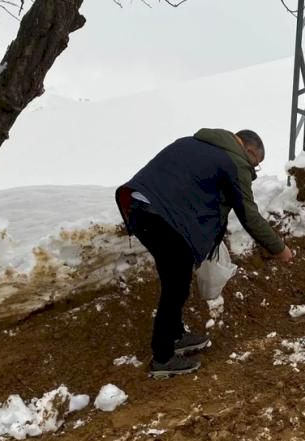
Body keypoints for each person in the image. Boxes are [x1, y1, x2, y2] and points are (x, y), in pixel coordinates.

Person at [115, 128, 293, 377]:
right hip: (162, 217)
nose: (254, 169)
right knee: (175, 286)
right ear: (250, 151)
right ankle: (163, 359)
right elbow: (248, 215)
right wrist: (279, 248)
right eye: (256, 164)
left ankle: (175, 335)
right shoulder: (233, 161)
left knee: (175, 278)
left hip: (138, 205)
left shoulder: (192, 143)